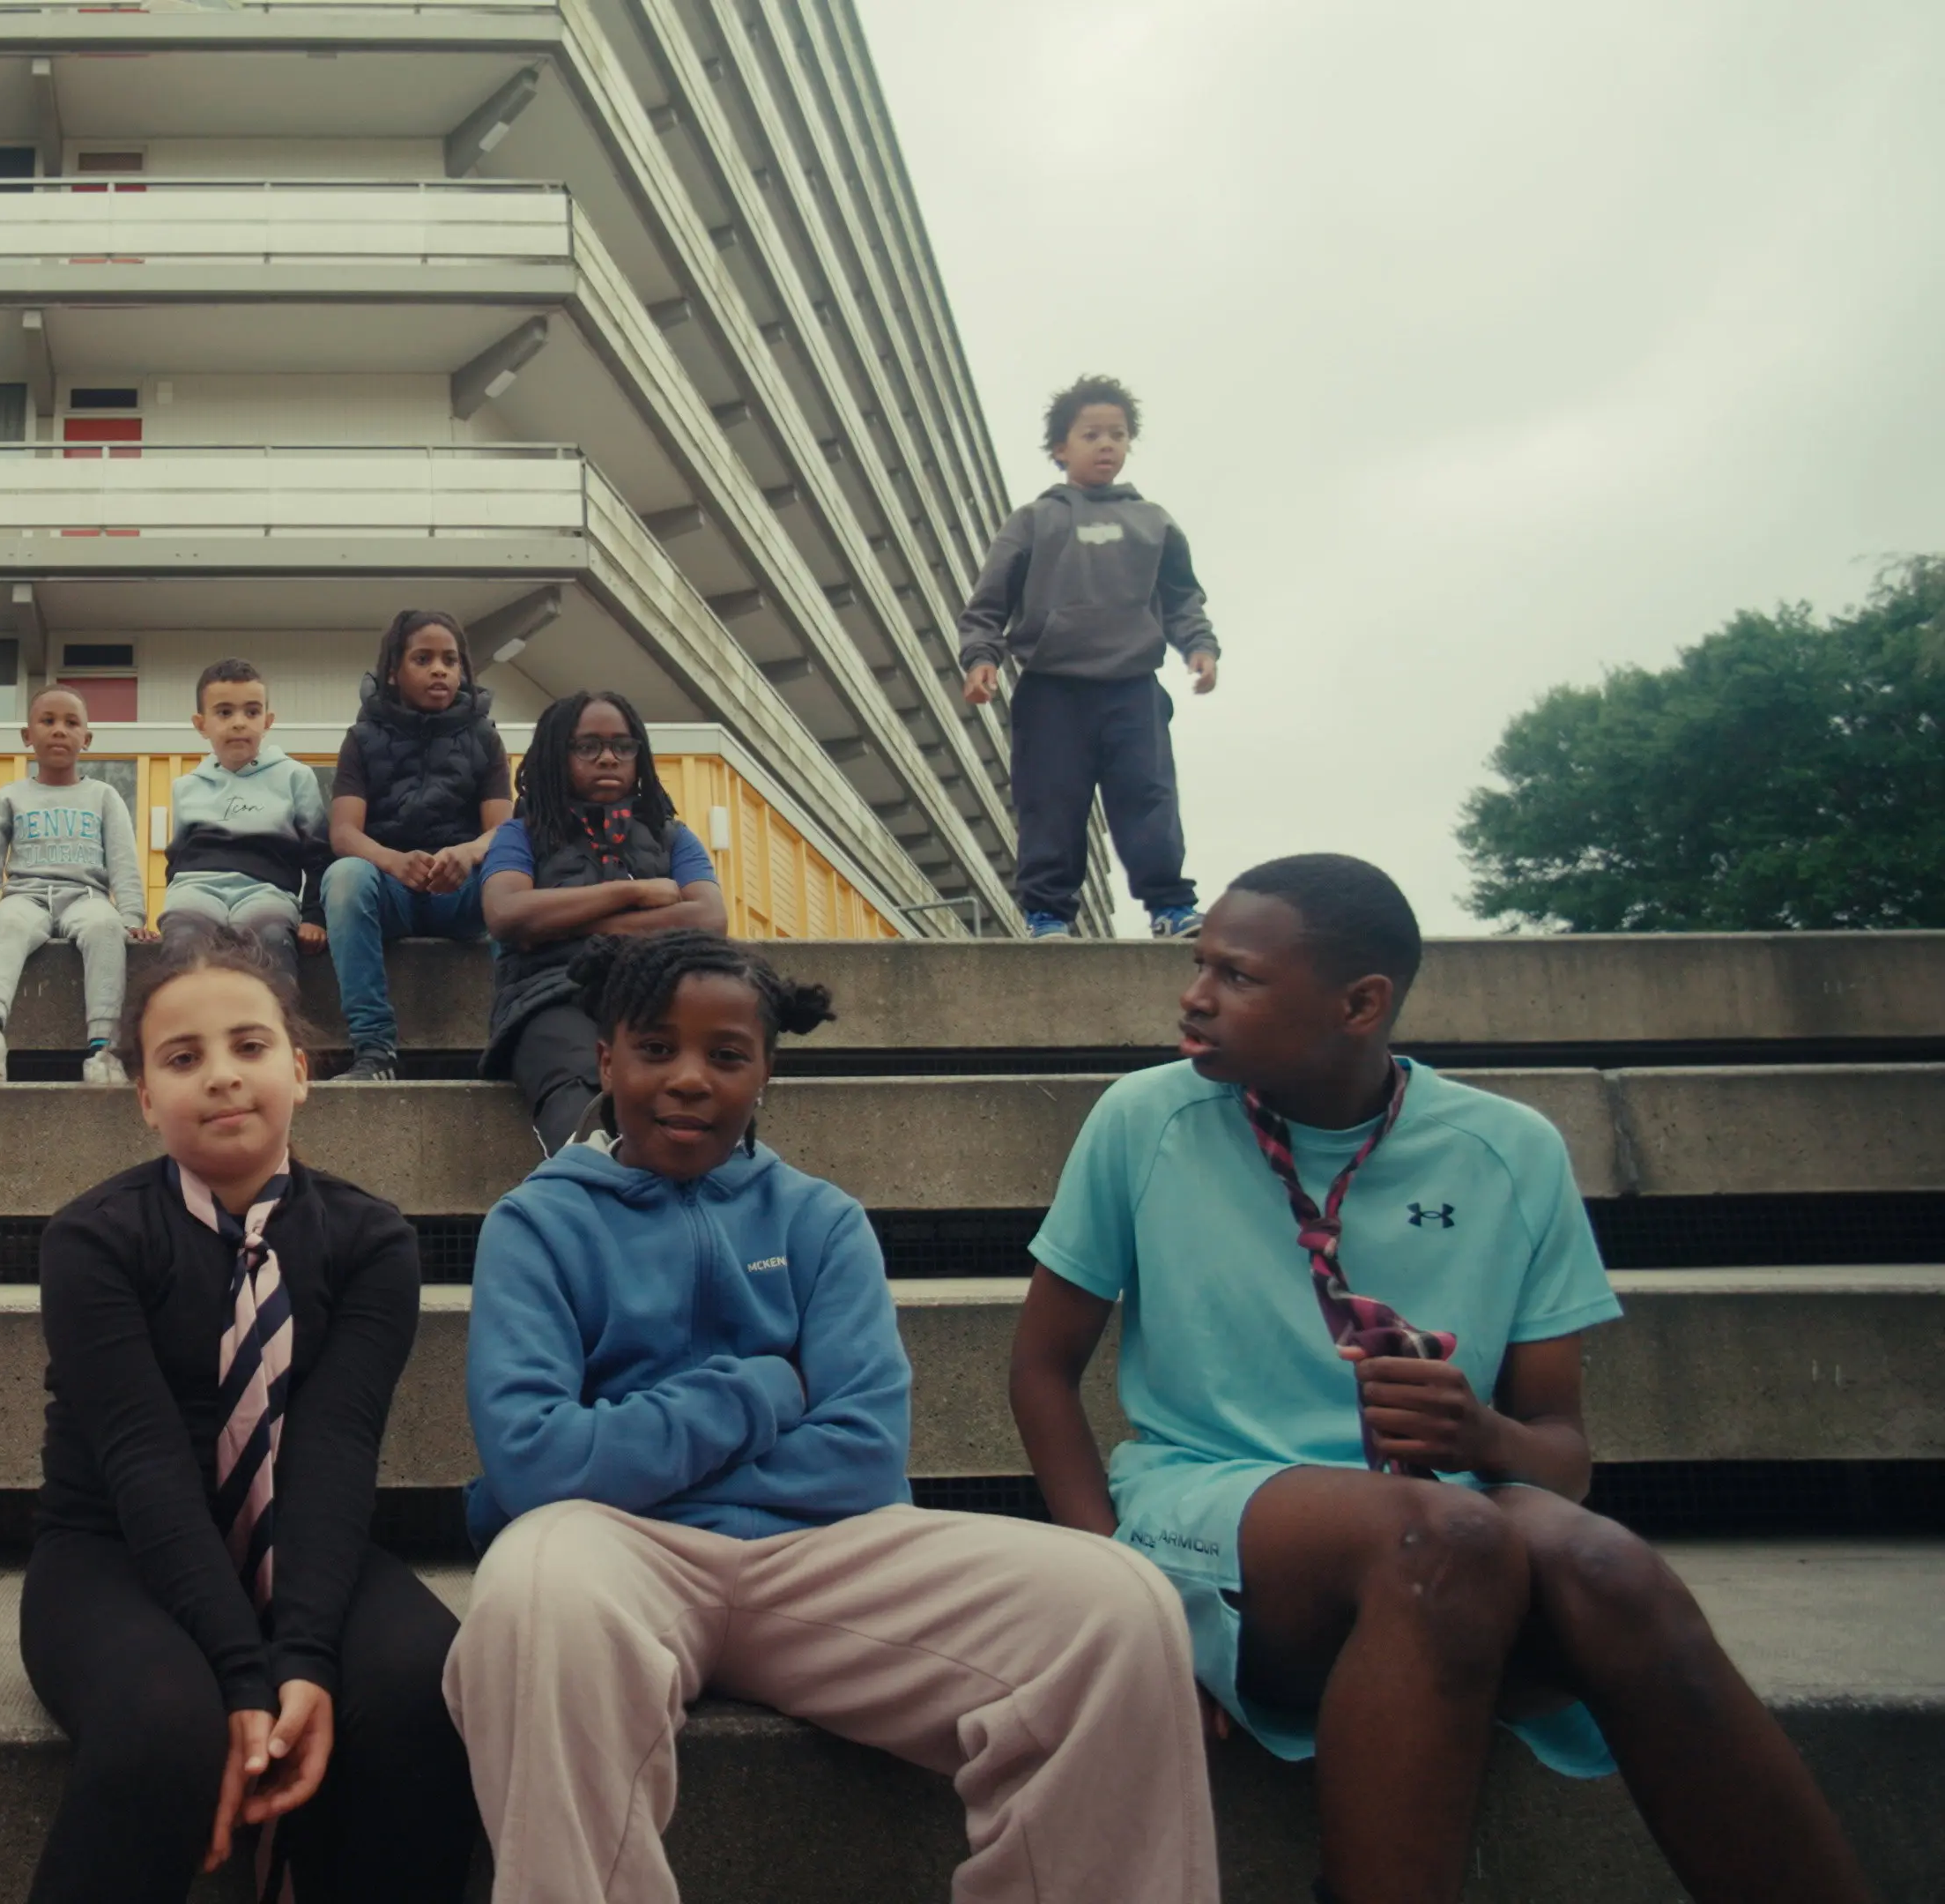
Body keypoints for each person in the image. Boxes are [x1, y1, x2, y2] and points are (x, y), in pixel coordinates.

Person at [1007, 854, 1873, 1904]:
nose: (1194, 997)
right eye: (1200, 966)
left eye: (1237, 976)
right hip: (1209, 1506)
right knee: (1442, 1538)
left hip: (1458, 1542)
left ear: (1360, 1004)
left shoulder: (1510, 1149)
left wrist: (1484, 1439)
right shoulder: (1144, 1120)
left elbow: (1561, 1456)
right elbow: (1043, 1372)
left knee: (1613, 1572)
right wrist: (1115, 1604)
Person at [450, 931, 1218, 1904]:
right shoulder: (537, 1223)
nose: (689, 1079)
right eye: (656, 1049)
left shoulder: (821, 1221)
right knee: (532, 1590)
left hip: (824, 1556)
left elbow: (861, 1458)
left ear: (766, 1072)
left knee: (1120, 1606)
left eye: (726, 1056)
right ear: (605, 1059)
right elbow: (537, 1467)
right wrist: (761, 1392)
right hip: (612, 1556)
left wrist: (629, 1447)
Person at [25, 926, 476, 1902]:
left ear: (302, 1071)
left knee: (421, 1687)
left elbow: (335, 1449)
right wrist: (241, 1670)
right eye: (183, 1059)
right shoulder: (91, 1241)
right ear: (144, 1095)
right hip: (114, 1551)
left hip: (306, 1543)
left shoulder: (373, 1240)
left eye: (250, 1046)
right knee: (162, 1722)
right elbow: (141, 1461)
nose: (222, 1076)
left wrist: (303, 1654)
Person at [954, 374, 1217, 942]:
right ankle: (1047, 915)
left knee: (1148, 796)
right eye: (1092, 433)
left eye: (1118, 435)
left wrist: (1198, 645)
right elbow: (989, 601)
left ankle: (1171, 908)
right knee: (1050, 801)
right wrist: (982, 657)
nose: (1106, 445)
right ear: (1060, 448)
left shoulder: (1154, 522)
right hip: (1052, 688)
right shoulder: (1034, 521)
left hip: (1132, 687)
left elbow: (1180, 597)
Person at [478, 690, 725, 1153]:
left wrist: (564, 921)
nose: (609, 758)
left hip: (656, 993)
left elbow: (709, 918)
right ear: (557, 754)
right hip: (550, 995)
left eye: (622, 746)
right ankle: (590, 1180)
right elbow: (507, 914)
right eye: (587, 747)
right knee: (577, 1092)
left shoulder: (672, 836)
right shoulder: (520, 835)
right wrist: (632, 893)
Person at [323, 609, 511, 1082]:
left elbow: (503, 831)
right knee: (344, 878)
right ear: (394, 671)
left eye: (450, 660)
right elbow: (344, 832)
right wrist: (391, 861)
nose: (440, 670)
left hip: (461, 893)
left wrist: (468, 854)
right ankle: (374, 1050)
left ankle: (513, 1037)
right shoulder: (361, 739)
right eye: (423, 659)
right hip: (392, 891)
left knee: (512, 877)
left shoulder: (485, 738)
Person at [0, 685, 154, 1088]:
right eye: (48, 721)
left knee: (104, 930)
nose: (60, 730)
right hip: (26, 896)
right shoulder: (11, 796)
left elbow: (124, 861)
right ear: (27, 736)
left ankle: (104, 1051)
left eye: (71, 723)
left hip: (86, 897)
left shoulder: (104, 795)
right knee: (7, 925)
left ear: (86, 739)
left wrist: (131, 917)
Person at [157, 658, 329, 980]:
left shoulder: (295, 777)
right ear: (200, 723)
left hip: (267, 892)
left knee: (271, 938)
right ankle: (187, 1027)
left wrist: (315, 916)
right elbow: (177, 858)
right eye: (224, 712)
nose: (239, 722)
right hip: (196, 889)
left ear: (267, 720)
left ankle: (274, 1027)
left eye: (252, 712)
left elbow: (319, 854)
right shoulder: (186, 787)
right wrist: (174, 904)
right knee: (183, 941)